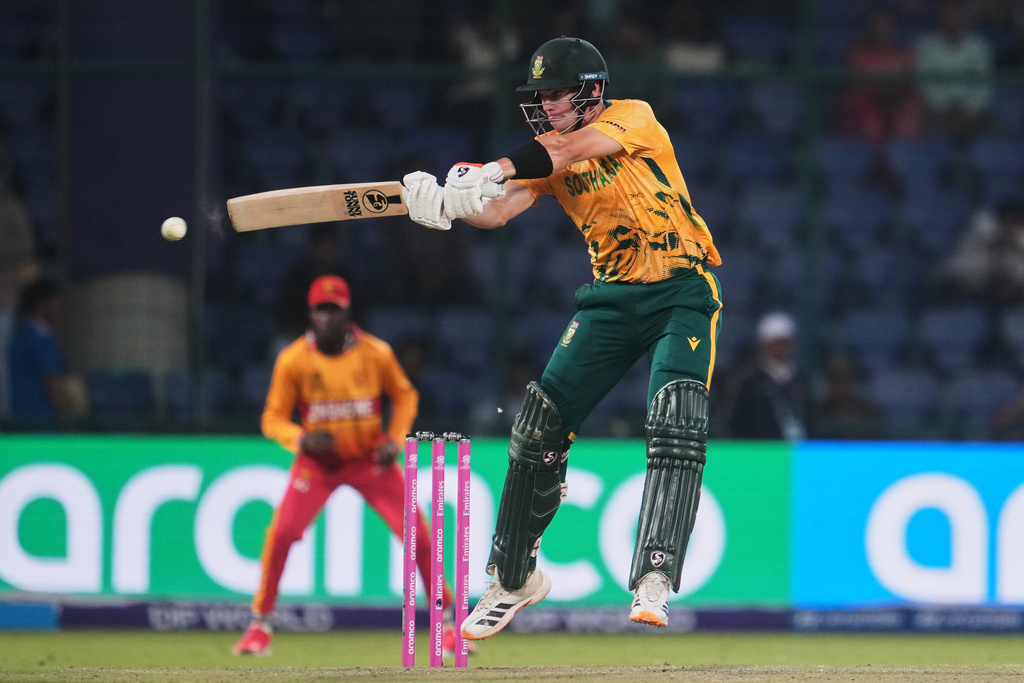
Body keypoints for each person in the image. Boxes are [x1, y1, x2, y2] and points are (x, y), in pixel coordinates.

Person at [401, 36, 723, 638]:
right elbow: (498, 211)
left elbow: (565, 148)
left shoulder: (634, 118)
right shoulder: (550, 157)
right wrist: (444, 208)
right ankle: (514, 579)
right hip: (611, 299)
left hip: (681, 289)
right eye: (541, 96)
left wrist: (488, 170)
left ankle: (655, 574)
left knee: (676, 418)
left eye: (557, 94)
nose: (547, 105)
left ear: (592, 91)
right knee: (537, 427)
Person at [233, 275, 467, 657]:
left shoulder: (375, 353)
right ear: (310, 314)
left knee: (420, 537)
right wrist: (300, 438)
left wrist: (396, 439)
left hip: (369, 460)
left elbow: (405, 396)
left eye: (334, 310)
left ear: (347, 314)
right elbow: (272, 419)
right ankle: (260, 625)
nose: (327, 317)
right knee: (281, 534)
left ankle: (447, 625)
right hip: (318, 464)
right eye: (321, 310)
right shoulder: (293, 359)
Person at [838, 6, 924, 146]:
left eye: (886, 26)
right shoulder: (857, 53)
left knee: (911, 106)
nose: (882, 31)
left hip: (897, 99)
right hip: (867, 101)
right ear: (869, 28)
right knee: (863, 110)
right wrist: (882, 81)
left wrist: (887, 82)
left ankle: (904, 153)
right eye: (878, 26)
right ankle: (869, 153)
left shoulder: (903, 54)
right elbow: (856, 82)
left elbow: (908, 81)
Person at [721, 311, 808, 441]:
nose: (782, 348)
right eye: (777, 343)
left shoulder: (801, 378)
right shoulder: (748, 380)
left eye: (785, 343)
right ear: (764, 344)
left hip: (799, 448)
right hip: (758, 448)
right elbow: (730, 419)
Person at [915, 0, 994, 141]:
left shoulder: (977, 46)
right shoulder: (926, 46)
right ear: (939, 16)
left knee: (997, 130)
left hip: (972, 111)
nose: (951, 18)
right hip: (937, 111)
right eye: (947, 14)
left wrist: (969, 111)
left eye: (955, 13)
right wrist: (944, 110)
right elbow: (925, 84)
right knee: (921, 131)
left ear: (963, 16)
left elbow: (983, 84)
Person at [7, 277, 77, 429]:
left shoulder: (20, 334)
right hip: (42, 424)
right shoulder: (39, 338)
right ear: (41, 303)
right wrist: (69, 423)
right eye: (56, 302)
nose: (60, 307)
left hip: (20, 421)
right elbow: (52, 383)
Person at [939, 197, 1024, 308]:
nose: (1009, 226)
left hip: (997, 293)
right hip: (965, 281)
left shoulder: (1018, 242)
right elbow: (990, 236)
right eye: (1006, 221)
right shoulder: (980, 228)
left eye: (1014, 222)